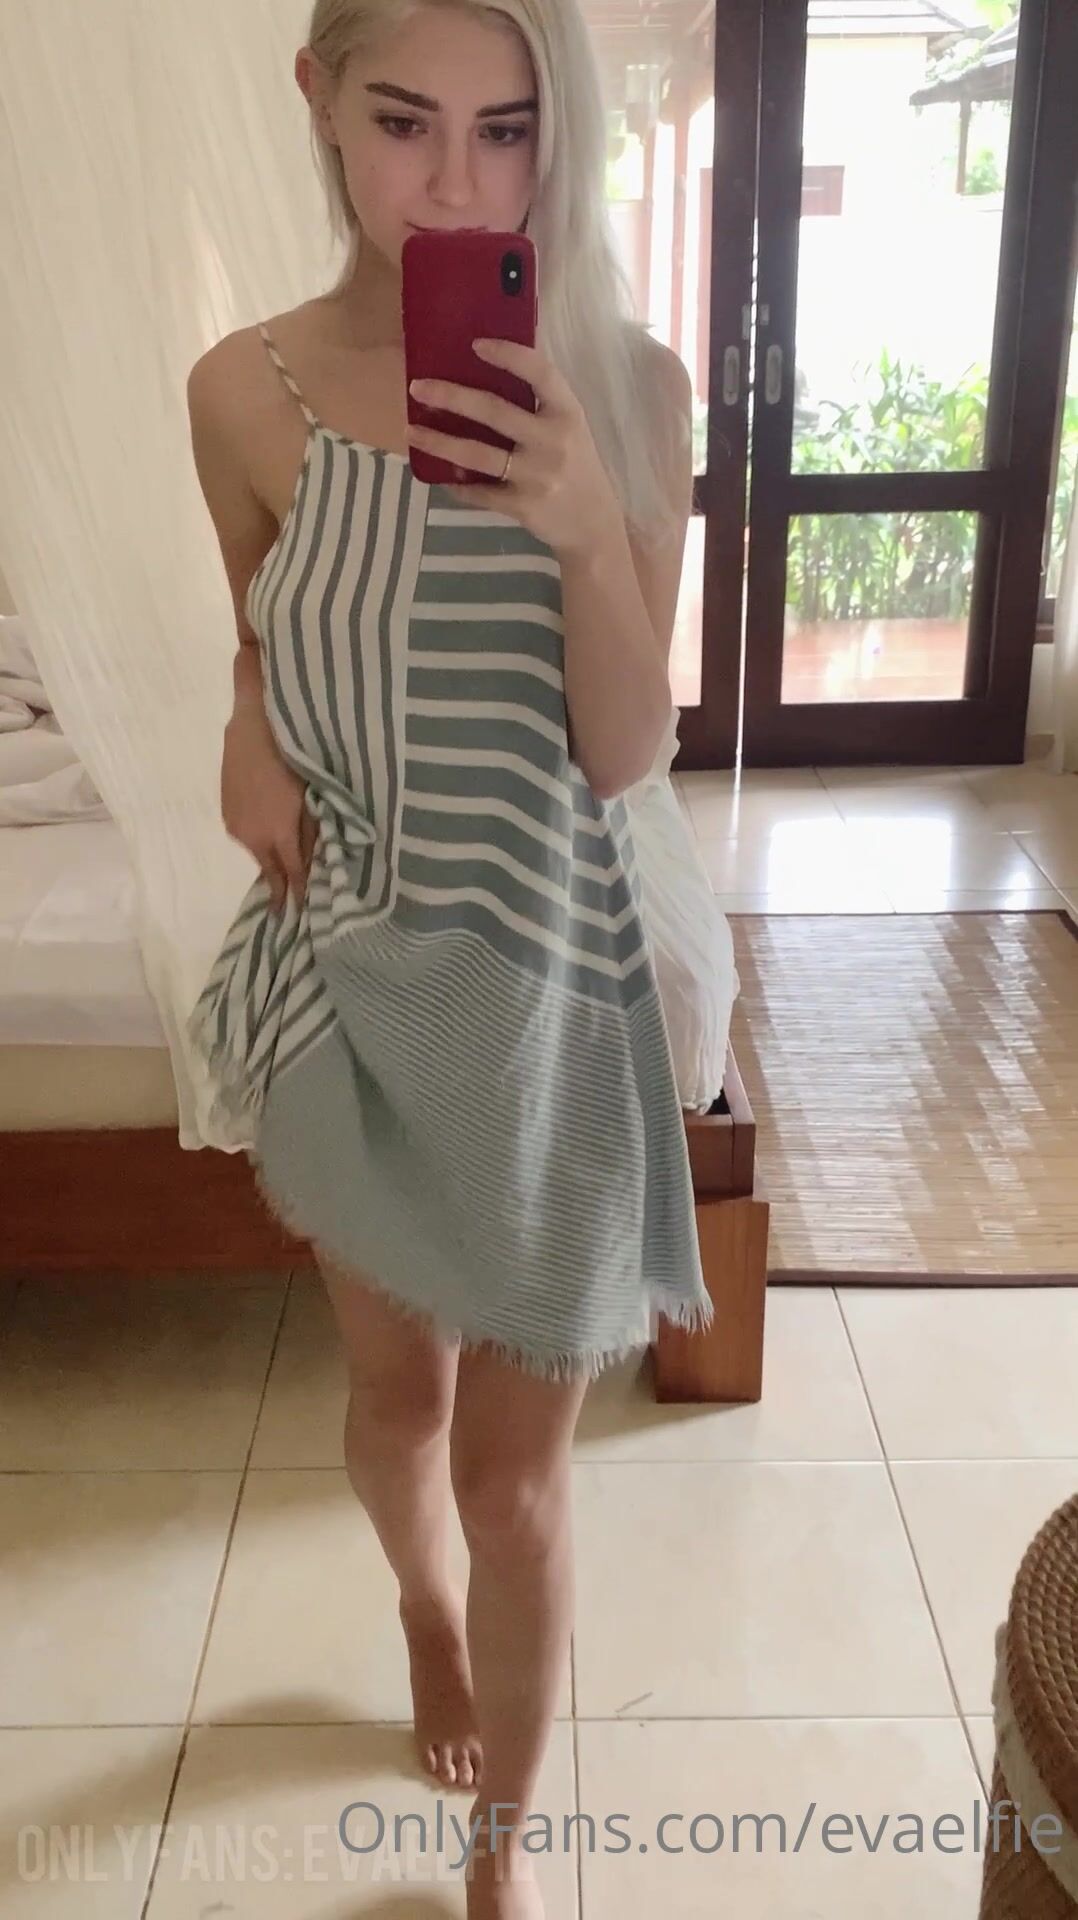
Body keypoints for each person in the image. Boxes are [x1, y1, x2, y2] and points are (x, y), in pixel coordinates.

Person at [185, 2, 718, 1911]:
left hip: (550, 986)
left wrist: (580, 530)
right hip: (350, 968)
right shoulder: (241, 393)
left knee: (516, 1477)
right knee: (398, 1407)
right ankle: (422, 1616)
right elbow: (265, 628)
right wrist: (245, 723)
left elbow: (626, 752)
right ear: (319, 101)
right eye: (406, 121)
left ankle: (503, 1849)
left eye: (508, 131)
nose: (455, 186)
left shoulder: (631, 392)